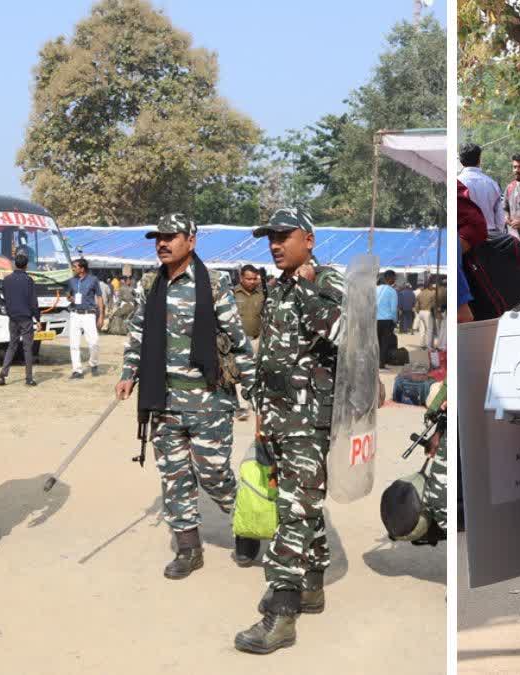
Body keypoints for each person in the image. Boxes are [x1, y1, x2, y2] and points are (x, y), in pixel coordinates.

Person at [115, 213, 257, 580]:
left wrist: (254, 389)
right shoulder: (151, 285)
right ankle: (188, 548)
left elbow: (238, 340)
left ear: (190, 242)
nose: (162, 243)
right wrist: (128, 373)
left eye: (170, 237)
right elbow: (138, 334)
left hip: (209, 400)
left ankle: (245, 524)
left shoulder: (212, 284)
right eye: (158, 237)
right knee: (174, 475)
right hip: (162, 400)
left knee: (213, 474)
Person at [234, 208, 344, 654]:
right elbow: (270, 354)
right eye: (271, 238)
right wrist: (261, 410)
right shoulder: (275, 286)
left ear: (309, 240)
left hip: (310, 418)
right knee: (300, 505)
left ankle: (281, 613)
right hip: (279, 416)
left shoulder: (326, 280)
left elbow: (340, 331)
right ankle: (312, 585)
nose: (275, 244)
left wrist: (304, 287)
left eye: (284, 236)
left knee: (294, 511)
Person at [0, 253, 41, 387]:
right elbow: (33, 302)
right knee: (28, 348)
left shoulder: (7, 279)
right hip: (26, 318)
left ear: (14, 264)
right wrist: (38, 319)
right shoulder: (29, 281)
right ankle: (29, 378)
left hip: (12, 318)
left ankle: (2, 375)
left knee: (12, 346)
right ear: (27, 265)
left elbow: (4, 298)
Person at [66, 258, 106, 379]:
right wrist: (69, 298)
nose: (73, 268)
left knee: (94, 342)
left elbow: (99, 297)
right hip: (75, 314)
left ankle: (93, 364)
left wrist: (101, 316)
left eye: (75, 266)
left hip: (89, 314)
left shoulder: (93, 280)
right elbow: (69, 295)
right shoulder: (71, 281)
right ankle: (77, 371)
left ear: (82, 269)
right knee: (74, 343)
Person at [457, 143, 507, 239]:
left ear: (460, 160)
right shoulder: (492, 184)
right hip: (491, 238)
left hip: (465, 240)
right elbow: (500, 218)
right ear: (479, 159)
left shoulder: (457, 183)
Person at [233, 264, 265, 343]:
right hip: (238, 341)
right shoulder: (232, 294)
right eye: (249, 279)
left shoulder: (262, 294)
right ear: (241, 278)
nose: (252, 282)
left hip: (257, 339)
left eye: (254, 279)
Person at [376, 270, 399, 367]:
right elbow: (393, 309)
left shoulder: (375, 289)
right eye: (394, 278)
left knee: (376, 341)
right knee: (385, 342)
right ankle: (381, 363)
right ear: (389, 278)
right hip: (387, 320)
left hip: (375, 320)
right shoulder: (392, 291)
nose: (394, 280)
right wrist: (395, 320)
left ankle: (374, 361)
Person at [416, 279, 437, 347]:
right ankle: (429, 345)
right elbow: (434, 304)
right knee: (429, 329)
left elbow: (417, 305)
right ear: (429, 286)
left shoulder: (420, 293)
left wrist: (418, 311)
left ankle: (422, 344)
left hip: (420, 312)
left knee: (422, 329)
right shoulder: (432, 293)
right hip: (428, 312)